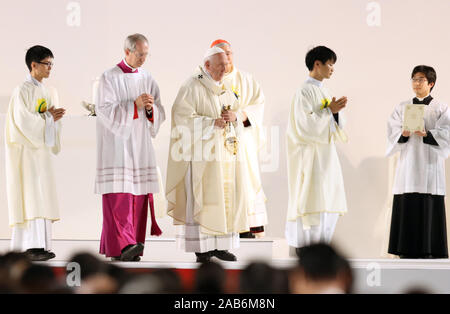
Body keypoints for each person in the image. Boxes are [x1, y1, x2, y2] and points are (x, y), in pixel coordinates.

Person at [166, 47, 251, 263]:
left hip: (224, 156)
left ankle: (221, 246)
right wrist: (210, 123)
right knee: (205, 199)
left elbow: (237, 117)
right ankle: (203, 249)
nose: (225, 68)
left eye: (226, 64)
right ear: (207, 65)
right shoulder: (191, 85)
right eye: (220, 64)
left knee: (225, 199)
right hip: (202, 157)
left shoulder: (225, 88)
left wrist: (233, 117)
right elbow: (181, 118)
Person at [96, 33, 165, 261]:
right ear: (127, 51)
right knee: (120, 197)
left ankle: (135, 247)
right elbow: (104, 111)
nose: (144, 59)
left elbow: (159, 110)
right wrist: (133, 106)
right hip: (118, 147)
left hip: (141, 144)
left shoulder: (147, 77)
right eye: (139, 54)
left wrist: (149, 110)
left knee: (138, 197)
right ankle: (123, 246)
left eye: (146, 54)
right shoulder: (109, 77)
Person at [285, 46, 348, 256]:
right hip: (310, 158)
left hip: (327, 158)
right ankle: (306, 251)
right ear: (317, 64)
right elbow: (305, 127)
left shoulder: (326, 91)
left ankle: (322, 250)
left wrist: (335, 114)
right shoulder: (303, 91)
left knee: (327, 201)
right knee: (311, 201)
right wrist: (329, 112)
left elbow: (337, 128)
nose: (332, 69)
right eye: (330, 64)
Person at [5, 45, 66, 261]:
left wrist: (53, 119)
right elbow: (23, 122)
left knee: (42, 198)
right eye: (47, 64)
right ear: (33, 65)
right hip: (27, 154)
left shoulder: (46, 91)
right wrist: (48, 118)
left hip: (41, 154)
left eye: (51, 64)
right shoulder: (22, 91)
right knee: (31, 198)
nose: (50, 68)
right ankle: (29, 247)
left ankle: (42, 245)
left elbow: (47, 120)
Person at [386, 65, 450, 259]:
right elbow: (391, 132)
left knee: (429, 206)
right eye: (414, 79)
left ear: (431, 83)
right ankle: (405, 250)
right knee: (408, 204)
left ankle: (431, 249)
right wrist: (402, 134)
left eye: (421, 79)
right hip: (409, 165)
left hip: (430, 167)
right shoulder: (402, 107)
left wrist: (428, 134)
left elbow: (447, 133)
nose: (416, 83)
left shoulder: (441, 108)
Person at [210, 39, 268, 238]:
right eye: (221, 54)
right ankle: (221, 225)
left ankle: (247, 226)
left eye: (229, 53)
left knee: (244, 178)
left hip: (241, 141)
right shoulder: (204, 79)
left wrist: (241, 115)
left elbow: (258, 104)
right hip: (216, 141)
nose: (226, 58)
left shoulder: (246, 79)